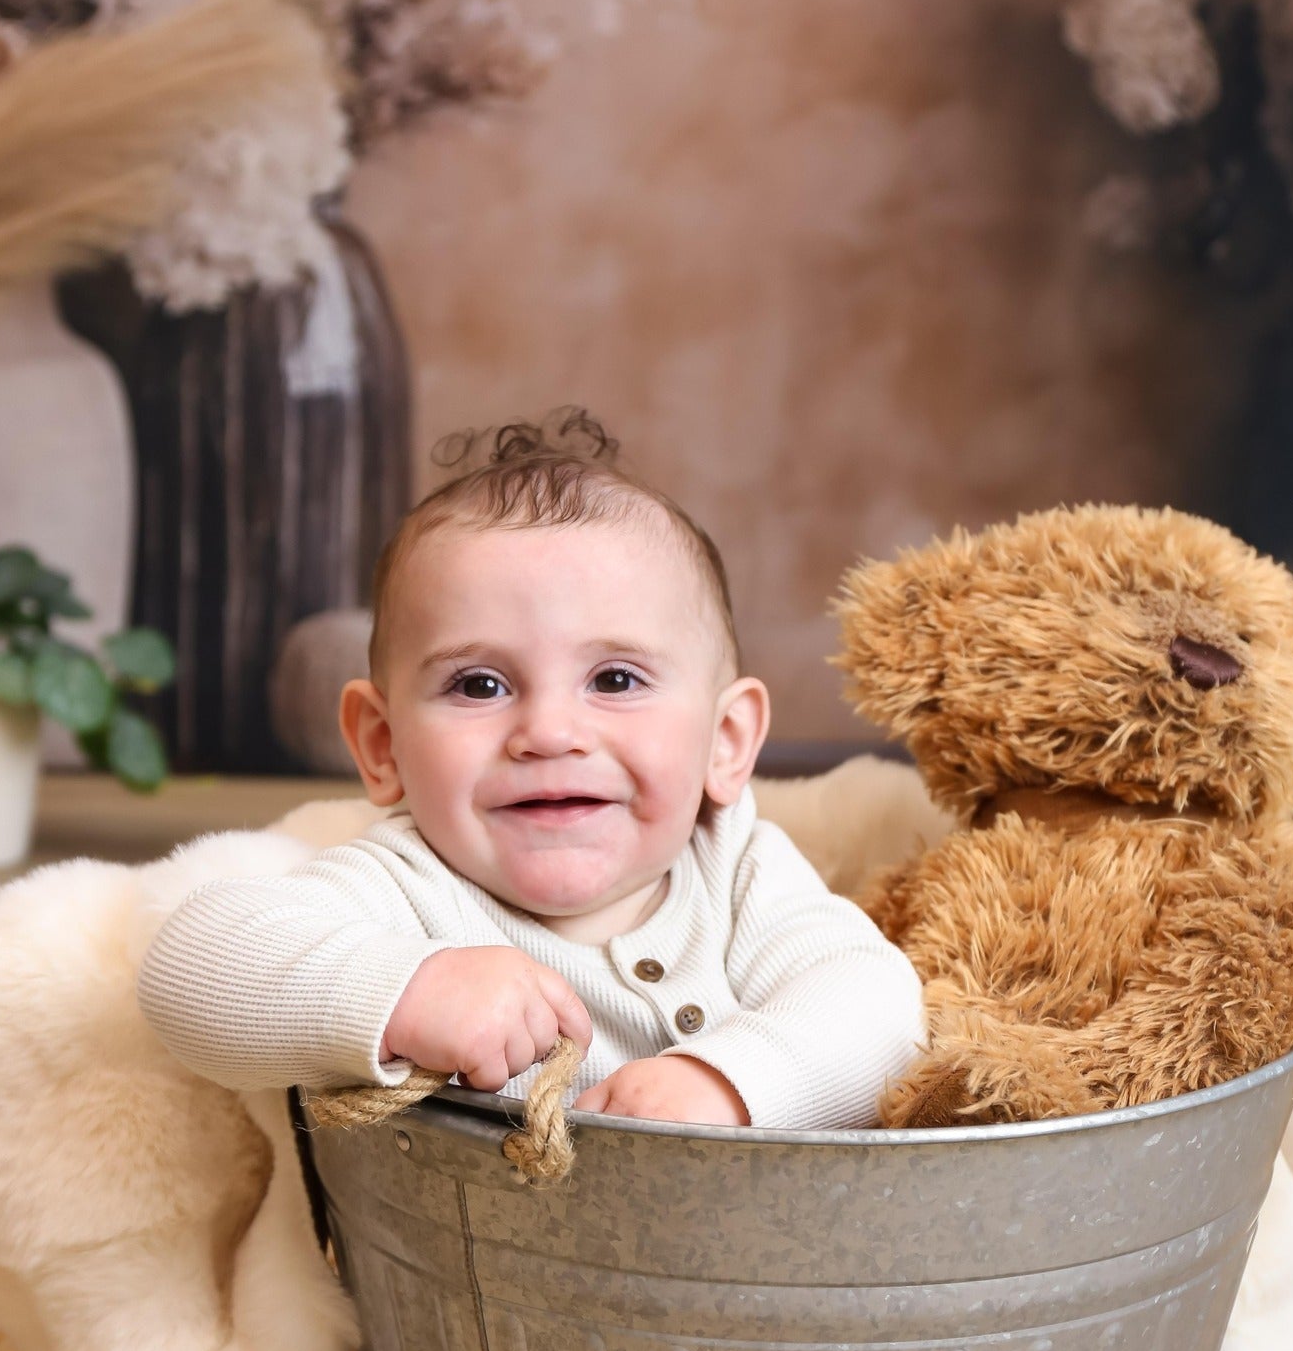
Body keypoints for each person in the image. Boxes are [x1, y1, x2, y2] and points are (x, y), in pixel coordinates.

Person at [137, 411, 924, 1129]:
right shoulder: (405, 886)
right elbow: (193, 970)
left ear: (725, 741)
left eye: (615, 680)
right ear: (382, 746)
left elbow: (876, 1005)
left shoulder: (738, 868)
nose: (548, 733)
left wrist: (726, 1082)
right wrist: (409, 990)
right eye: (479, 685)